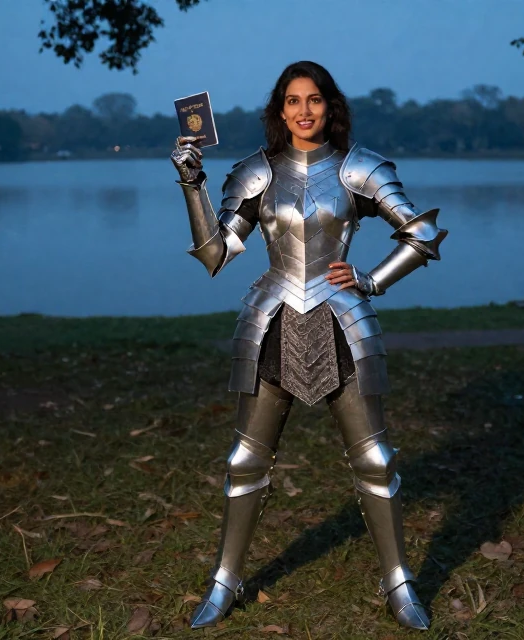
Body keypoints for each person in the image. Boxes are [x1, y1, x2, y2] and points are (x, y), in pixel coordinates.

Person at [170, 60, 446, 631]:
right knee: (245, 461)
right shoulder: (254, 173)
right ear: (279, 111)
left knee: (375, 459)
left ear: (330, 105)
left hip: (344, 321)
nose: (304, 111)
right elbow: (216, 253)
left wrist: (371, 280)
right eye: (293, 101)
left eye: (314, 99)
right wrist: (192, 184)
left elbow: (420, 233)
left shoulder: (359, 169)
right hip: (269, 322)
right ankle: (225, 582)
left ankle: (399, 584)